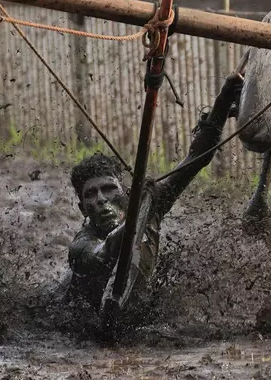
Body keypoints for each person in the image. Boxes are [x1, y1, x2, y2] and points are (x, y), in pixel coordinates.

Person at [62, 67, 245, 331]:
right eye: (91, 194)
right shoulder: (81, 247)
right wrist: (143, 208)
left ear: (125, 192)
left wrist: (224, 99)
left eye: (108, 189)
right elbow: (105, 252)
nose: (102, 200)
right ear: (82, 209)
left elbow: (196, 159)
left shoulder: (148, 203)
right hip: (86, 320)